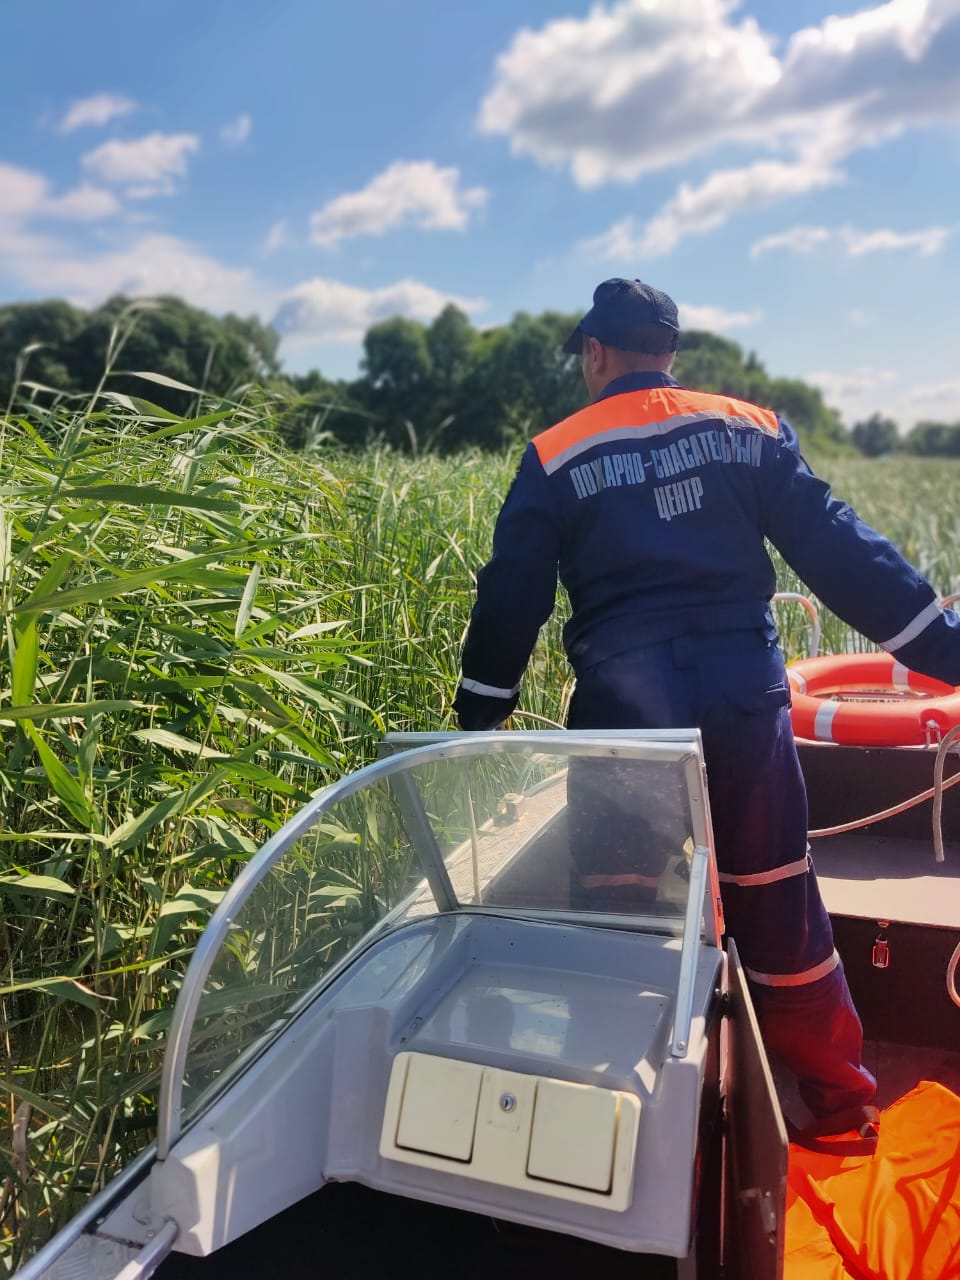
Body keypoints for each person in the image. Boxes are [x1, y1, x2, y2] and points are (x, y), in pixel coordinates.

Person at [453, 277, 960, 1147]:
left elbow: (512, 596)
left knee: (621, 916)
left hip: (624, 717)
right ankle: (841, 1106)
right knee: (776, 900)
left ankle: (616, 1119)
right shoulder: (748, 429)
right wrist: (945, 648)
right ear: (670, 353)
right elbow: (843, 551)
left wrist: (480, 708)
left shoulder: (555, 456)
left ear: (595, 354)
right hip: (745, 702)